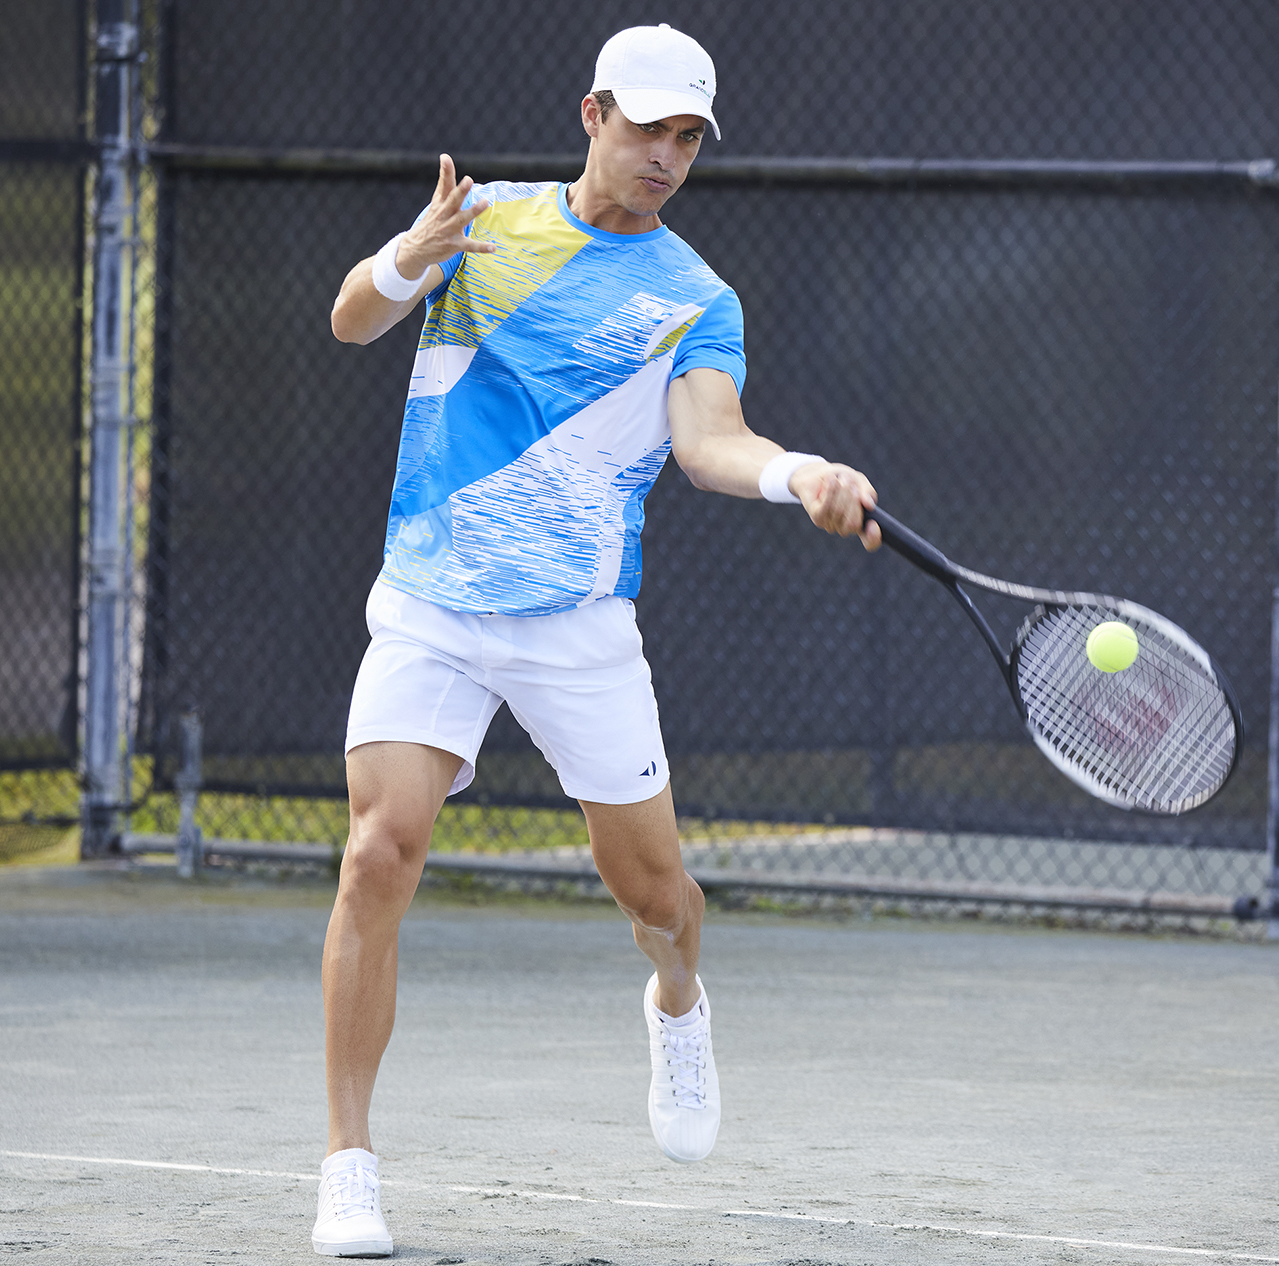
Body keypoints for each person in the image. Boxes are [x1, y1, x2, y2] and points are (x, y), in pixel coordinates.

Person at [312, 23, 879, 1258]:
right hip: (433, 600)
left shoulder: (696, 299)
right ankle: (349, 1161)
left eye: (688, 137)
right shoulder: (485, 223)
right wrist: (408, 258)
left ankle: (677, 1003)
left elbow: (706, 442)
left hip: (578, 626)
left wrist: (798, 473)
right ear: (592, 115)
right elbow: (354, 321)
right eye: (648, 128)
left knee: (659, 896)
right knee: (377, 855)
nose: (666, 156)